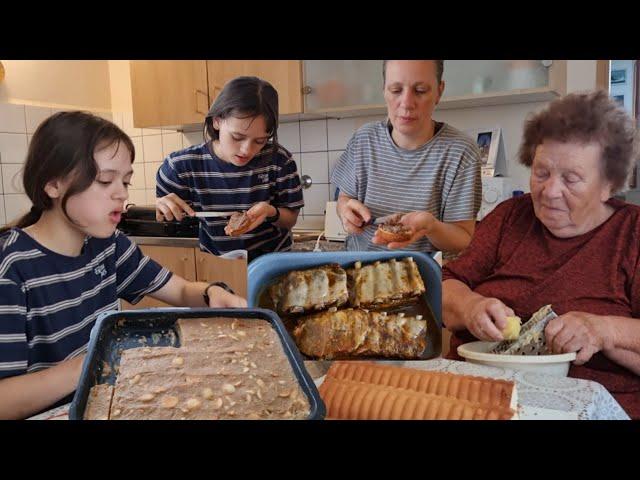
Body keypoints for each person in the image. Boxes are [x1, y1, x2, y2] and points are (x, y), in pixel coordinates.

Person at [0, 111, 247, 420]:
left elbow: (181, 291)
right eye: (105, 180)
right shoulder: (12, 267)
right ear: (53, 184)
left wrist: (212, 292)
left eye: (125, 181)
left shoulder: (108, 245)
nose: (122, 194)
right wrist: (92, 361)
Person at [442, 91, 640, 418]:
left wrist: (603, 331)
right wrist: (470, 306)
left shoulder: (631, 234)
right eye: (541, 173)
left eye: (571, 179)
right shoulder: (509, 217)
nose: (550, 192)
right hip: (473, 399)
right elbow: (445, 284)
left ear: (609, 184)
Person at [330, 60, 482, 259]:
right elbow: (344, 199)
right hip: (359, 269)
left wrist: (431, 226)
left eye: (420, 90)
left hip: (421, 275)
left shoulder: (460, 151)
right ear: (384, 90)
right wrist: (345, 211)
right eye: (395, 90)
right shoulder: (363, 140)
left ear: (439, 91)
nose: (407, 103)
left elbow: (463, 238)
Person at [155, 76, 304, 262]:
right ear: (217, 121)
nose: (246, 150)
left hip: (271, 264)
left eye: (260, 141)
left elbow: (290, 219)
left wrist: (270, 212)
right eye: (237, 137)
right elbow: (164, 219)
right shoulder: (180, 166)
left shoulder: (279, 160)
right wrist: (162, 208)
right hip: (218, 264)